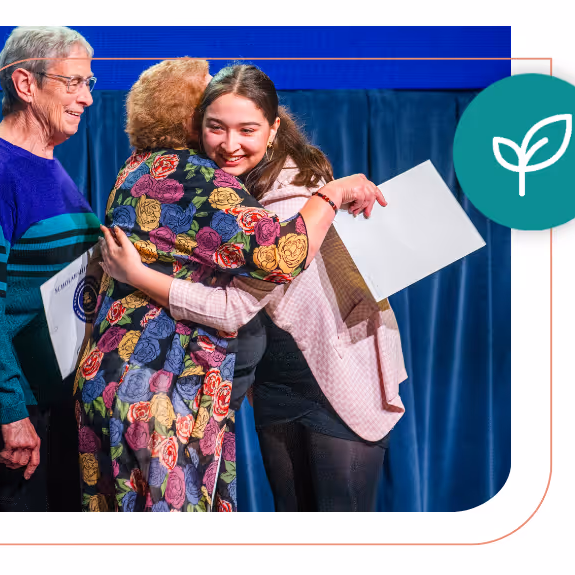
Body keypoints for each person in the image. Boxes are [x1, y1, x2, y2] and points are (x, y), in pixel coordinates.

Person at [74, 59, 384, 512]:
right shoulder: (193, 178)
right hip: (161, 392)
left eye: (246, 128)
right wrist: (334, 193)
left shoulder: (136, 170)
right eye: (213, 121)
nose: (229, 143)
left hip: (112, 381)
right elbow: (280, 255)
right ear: (191, 119)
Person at [0, 26, 98, 512]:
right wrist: (10, 408)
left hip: (49, 390)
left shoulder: (48, 159)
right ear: (26, 84)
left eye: (89, 83)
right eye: (74, 83)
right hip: (10, 399)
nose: (87, 98)